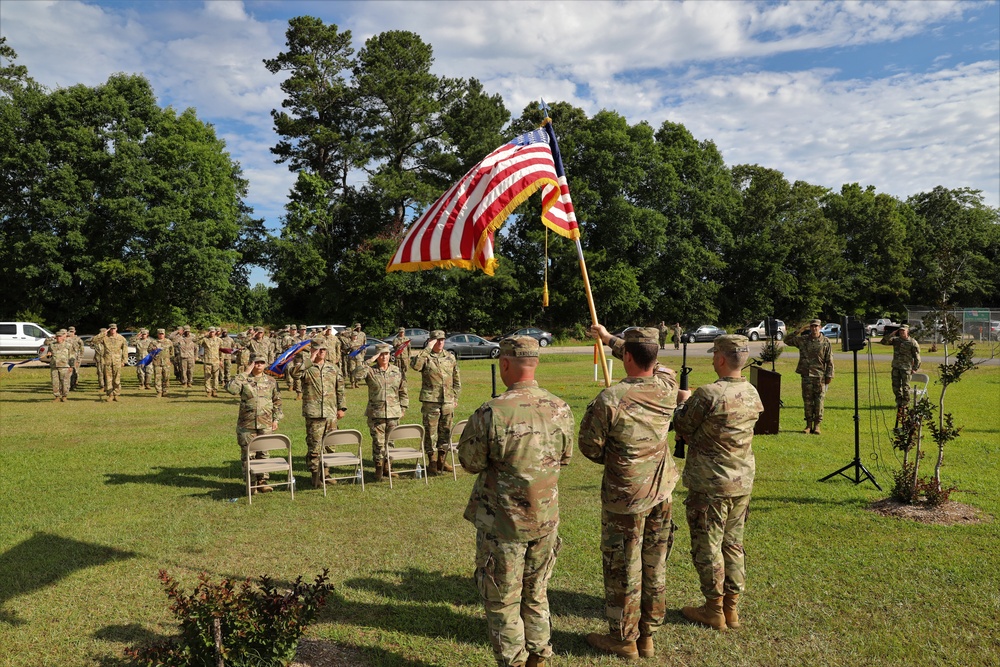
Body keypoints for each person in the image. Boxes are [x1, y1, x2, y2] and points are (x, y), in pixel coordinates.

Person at [458, 336, 574, 667]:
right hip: (545, 519)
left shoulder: (492, 412)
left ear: (505, 364)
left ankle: (515, 662)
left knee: (503, 601)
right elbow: (564, 459)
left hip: (504, 525)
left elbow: (470, 462)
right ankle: (539, 656)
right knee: (536, 593)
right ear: (534, 363)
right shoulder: (560, 407)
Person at [579, 325, 681, 661]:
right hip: (661, 491)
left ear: (626, 356)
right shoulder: (668, 385)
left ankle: (624, 639)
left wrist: (618, 456)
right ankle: (647, 635)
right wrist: (610, 339)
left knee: (624, 567)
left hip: (626, 497)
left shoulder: (611, 398)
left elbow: (590, 447)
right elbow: (654, 361)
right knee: (654, 563)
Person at [673, 334, 763, 632]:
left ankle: (713, 609)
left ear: (721, 359)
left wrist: (682, 404)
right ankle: (731, 609)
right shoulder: (751, 392)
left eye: (714, 355)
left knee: (708, 547)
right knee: (733, 544)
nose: (712, 359)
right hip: (741, 481)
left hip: (711, 483)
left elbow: (683, 425)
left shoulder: (708, 393)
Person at [227, 354, 284, 493]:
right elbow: (231, 389)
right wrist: (245, 372)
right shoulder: (244, 379)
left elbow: (277, 402)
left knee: (264, 453)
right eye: (256, 362)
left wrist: (276, 419)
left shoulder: (271, 381)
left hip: (266, 423)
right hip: (247, 424)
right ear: (251, 363)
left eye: (261, 362)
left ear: (265, 364)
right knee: (248, 454)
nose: (258, 365)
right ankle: (251, 483)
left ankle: (262, 481)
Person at [411, 329, 461, 476]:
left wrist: (455, 398)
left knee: (445, 431)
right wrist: (427, 348)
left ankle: (442, 460)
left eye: (442, 340)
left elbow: (457, 380)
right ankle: (432, 461)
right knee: (431, 432)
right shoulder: (426, 357)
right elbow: (415, 366)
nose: (440, 342)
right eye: (437, 340)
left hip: (447, 401)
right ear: (431, 341)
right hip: (430, 401)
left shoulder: (450, 357)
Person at [300, 341, 346, 488]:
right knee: (314, 446)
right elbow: (294, 373)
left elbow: (340, 388)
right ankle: (315, 476)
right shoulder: (307, 367)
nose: (321, 352)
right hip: (314, 413)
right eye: (318, 349)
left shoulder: (333, 368)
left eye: (323, 349)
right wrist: (310, 359)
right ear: (312, 350)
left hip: (331, 413)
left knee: (330, 445)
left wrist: (342, 408)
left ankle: (326, 473)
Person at [362, 343, 408, 482]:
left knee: (390, 442)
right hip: (377, 413)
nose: (384, 357)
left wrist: (403, 407)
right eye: (381, 354)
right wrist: (370, 360)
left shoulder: (396, 370)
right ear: (377, 356)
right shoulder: (370, 371)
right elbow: (356, 373)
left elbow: (403, 391)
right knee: (378, 443)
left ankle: (388, 468)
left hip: (393, 412)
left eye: (386, 354)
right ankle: (378, 469)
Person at [785, 319, 834, 434]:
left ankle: (817, 426)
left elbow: (830, 360)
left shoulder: (825, 342)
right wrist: (800, 330)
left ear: (820, 327)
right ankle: (808, 425)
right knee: (807, 401)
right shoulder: (803, 340)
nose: (814, 328)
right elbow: (787, 340)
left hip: (820, 376)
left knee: (819, 402)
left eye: (816, 326)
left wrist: (829, 375)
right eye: (812, 326)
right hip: (806, 375)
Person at [880, 324, 921, 412]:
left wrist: (915, 368)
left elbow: (917, 357)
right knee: (896, 387)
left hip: (906, 368)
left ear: (907, 331)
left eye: (904, 331)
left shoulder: (912, 342)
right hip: (896, 367)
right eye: (900, 331)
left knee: (905, 387)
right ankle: (899, 403)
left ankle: (905, 405)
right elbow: (883, 342)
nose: (902, 332)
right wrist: (891, 334)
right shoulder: (896, 340)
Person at [99, 323, 129, 401]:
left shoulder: (121, 338)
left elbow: (125, 350)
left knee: (117, 379)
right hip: (107, 361)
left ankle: (116, 394)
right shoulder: (105, 338)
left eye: (114, 329)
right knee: (108, 379)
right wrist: (102, 334)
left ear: (116, 329)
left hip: (117, 361)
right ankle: (110, 395)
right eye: (111, 329)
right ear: (109, 329)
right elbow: (93, 341)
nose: (113, 330)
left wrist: (124, 361)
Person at [45, 329, 73, 402]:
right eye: (57, 337)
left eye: (60, 337)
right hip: (54, 366)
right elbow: (49, 354)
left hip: (64, 366)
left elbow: (72, 356)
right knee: (55, 382)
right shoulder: (52, 345)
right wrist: (49, 355)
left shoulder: (68, 345)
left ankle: (64, 396)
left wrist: (71, 366)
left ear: (63, 337)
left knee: (65, 382)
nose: (58, 338)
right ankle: (57, 396)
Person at [149, 328, 174, 397]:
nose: (161, 335)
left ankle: (165, 391)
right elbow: (149, 351)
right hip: (157, 363)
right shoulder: (153, 342)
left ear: (164, 334)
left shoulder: (169, 342)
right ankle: (159, 392)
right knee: (157, 378)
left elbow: (172, 352)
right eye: (160, 334)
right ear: (157, 334)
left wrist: (171, 360)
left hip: (166, 363)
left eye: (162, 334)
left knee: (166, 377)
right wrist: (153, 350)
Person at [199, 326, 223, 397]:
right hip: (207, 361)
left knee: (216, 377)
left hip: (216, 361)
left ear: (215, 332)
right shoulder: (205, 340)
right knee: (207, 377)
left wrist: (221, 360)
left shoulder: (219, 340)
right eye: (210, 332)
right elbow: (195, 340)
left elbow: (221, 351)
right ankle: (208, 391)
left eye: (213, 332)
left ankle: (215, 391)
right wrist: (203, 335)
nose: (212, 333)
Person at [348, 322, 367, 388]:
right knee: (352, 370)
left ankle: (357, 382)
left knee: (358, 369)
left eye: (360, 327)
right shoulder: (350, 339)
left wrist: (363, 353)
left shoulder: (362, 334)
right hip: (352, 357)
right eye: (357, 327)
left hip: (359, 356)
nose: (359, 328)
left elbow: (364, 345)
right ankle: (352, 383)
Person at [67, 326, 83, 391]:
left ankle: (74, 385)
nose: (71, 333)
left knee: (75, 372)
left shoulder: (78, 339)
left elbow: (82, 348)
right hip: (67, 358)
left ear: (75, 331)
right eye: (70, 331)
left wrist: (79, 358)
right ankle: (68, 385)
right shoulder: (66, 338)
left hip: (75, 357)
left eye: (72, 331)